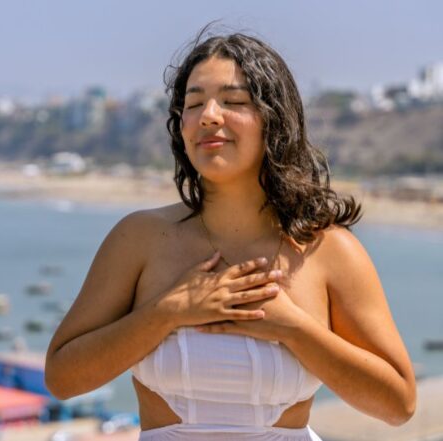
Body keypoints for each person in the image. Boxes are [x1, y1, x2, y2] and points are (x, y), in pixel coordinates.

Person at [44, 26, 416, 441]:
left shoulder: (328, 251)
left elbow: (398, 404)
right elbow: (62, 378)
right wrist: (167, 312)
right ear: (180, 125)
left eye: (234, 101)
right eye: (194, 103)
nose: (209, 116)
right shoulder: (139, 238)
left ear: (274, 120)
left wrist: (293, 327)